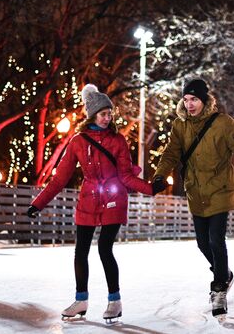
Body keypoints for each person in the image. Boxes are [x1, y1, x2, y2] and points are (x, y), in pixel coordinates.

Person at [27, 84, 161, 324]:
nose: (108, 118)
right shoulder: (78, 141)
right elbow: (60, 178)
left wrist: (151, 189)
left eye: (110, 113)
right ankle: (81, 300)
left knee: (104, 248)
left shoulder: (118, 140)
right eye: (103, 114)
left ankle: (114, 300)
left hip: (114, 199)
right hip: (88, 199)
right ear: (92, 115)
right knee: (81, 250)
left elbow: (127, 177)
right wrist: (38, 204)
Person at [152, 78, 234, 318]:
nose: (190, 104)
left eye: (195, 99)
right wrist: (160, 175)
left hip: (220, 190)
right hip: (196, 191)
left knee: (215, 240)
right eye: (186, 99)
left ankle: (219, 289)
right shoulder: (180, 126)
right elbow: (171, 152)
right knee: (202, 243)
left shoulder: (223, 124)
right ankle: (225, 275)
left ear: (205, 100)